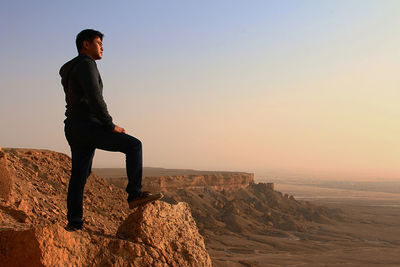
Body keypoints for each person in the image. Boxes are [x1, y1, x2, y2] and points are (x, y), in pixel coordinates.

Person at [59, 29, 162, 231]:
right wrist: (110, 125)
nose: (102, 47)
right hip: (88, 125)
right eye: (98, 43)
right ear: (85, 45)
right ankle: (134, 194)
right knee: (134, 146)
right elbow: (95, 98)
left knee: (80, 174)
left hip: (73, 126)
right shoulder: (86, 64)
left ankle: (74, 223)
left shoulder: (70, 68)